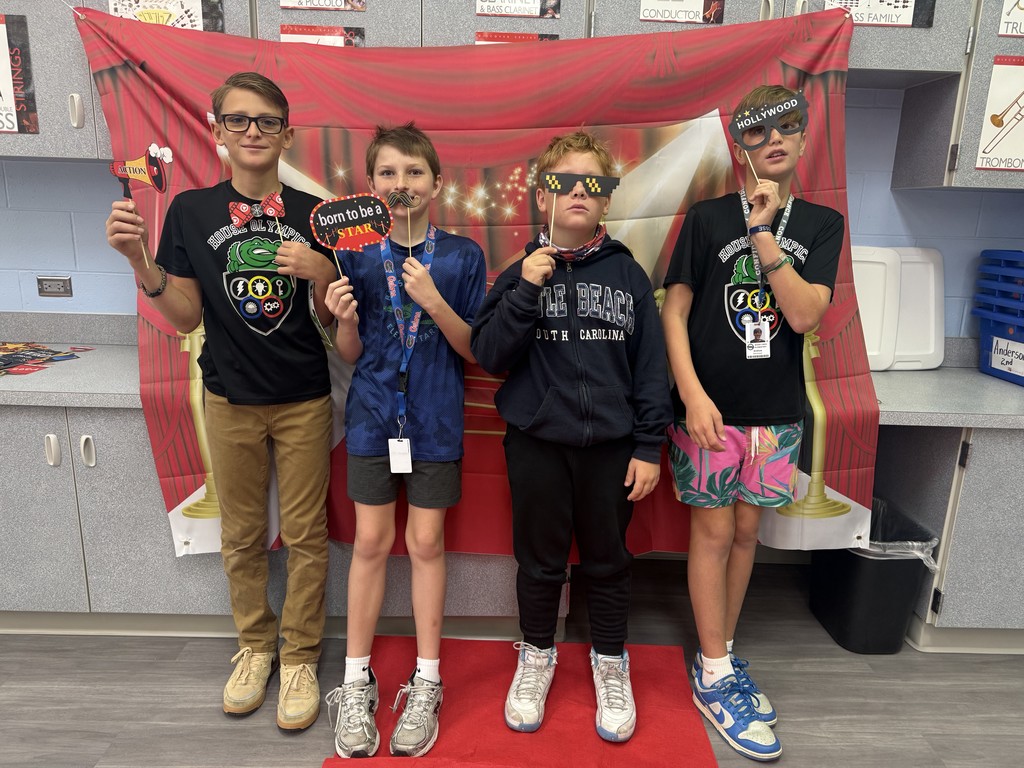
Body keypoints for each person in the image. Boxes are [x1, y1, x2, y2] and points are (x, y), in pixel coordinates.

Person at [105, 72, 338, 731]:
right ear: (216, 131)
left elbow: (334, 320)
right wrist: (138, 263)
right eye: (238, 121)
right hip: (228, 397)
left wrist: (323, 272)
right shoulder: (189, 212)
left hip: (304, 397)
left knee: (307, 536)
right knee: (239, 535)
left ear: (287, 133)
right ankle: (256, 648)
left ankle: (299, 657)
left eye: (266, 121)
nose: (253, 132)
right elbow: (183, 317)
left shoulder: (315, 216)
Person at [661, 84, 844, 762]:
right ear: (743, 147)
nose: (775, 141)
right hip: (710, 411)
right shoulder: (708, 219)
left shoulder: (820, 225)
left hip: (775, 416)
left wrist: (765, 232)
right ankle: (712, 673)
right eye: (761, 133)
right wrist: (690, 392)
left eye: (788, 129)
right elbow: (674, 312)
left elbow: (801, 314)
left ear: (800, 139)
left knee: (745, 530)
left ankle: (722, 652)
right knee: (711, 531)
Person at [471, 131, 673, 743]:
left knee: (609, 562)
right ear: (542, 195)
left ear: (607, 199)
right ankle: (536, 654)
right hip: (537, 442)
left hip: (613, 449)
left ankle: (610, 660)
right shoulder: (518, 272)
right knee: (539, 562)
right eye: (565, 182)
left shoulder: (628, 274)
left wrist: (647, 446)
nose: (580, 192)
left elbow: (651, 367)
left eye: (594, 183)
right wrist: (528, 287)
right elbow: (489, 354)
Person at [322, 123, 487, 758]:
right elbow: (351, 352)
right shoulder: (355, 256)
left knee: (424, 541)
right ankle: (356, 678)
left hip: (436, 422)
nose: (402, 183)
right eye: (389, 173)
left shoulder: (461, 257)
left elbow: (474, 347)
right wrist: (342, 320)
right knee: (369, 540)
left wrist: (434, 301)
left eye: (415, 172)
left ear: (437, 183)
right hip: (370, 420)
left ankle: (427, 679)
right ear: (371, 188)